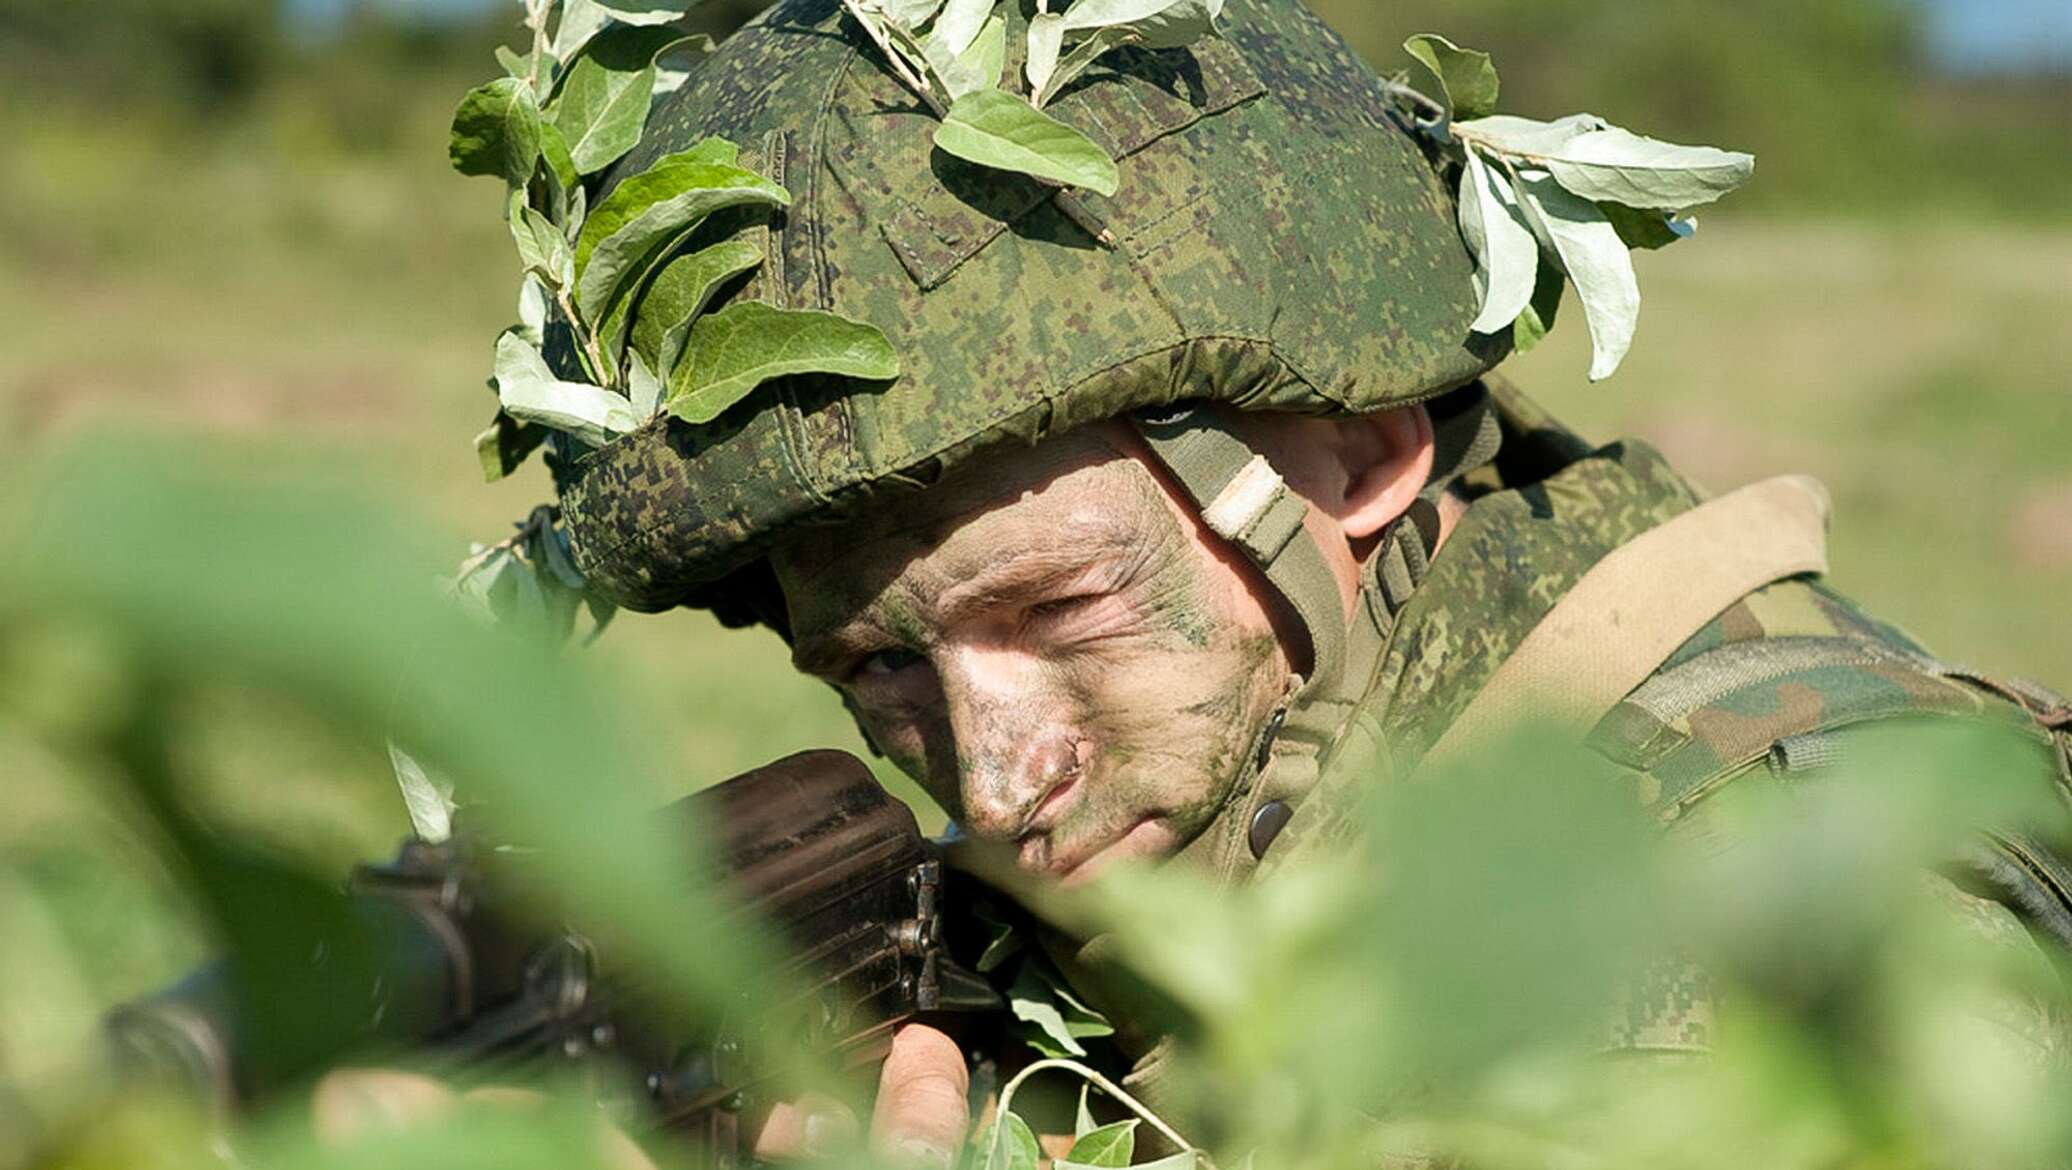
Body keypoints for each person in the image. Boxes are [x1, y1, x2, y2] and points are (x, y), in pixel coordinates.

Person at [330, 0, 2072, 1163]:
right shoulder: (1292, 800)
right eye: (877, 673)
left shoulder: (1785, 921)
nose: (998, 779)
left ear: (1364, 452)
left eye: (1060, 611)